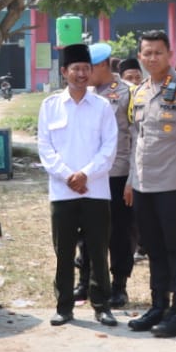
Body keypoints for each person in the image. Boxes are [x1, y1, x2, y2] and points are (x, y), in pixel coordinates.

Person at [124, 31, 176, 337]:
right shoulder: (141, 91)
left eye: (157, 53)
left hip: (173, 185)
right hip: (145, 185)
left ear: (169, 54)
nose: (151, 58)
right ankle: (158, 305)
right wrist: (132, 180)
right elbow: (136, 139)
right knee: (155, 250)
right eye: (146, 53)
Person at [37, 42, 119, 328]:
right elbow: (45, 149)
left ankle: (102, 305)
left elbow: (109, 147)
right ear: (64, 72)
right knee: (64, 252)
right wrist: (68, 176)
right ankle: (64, 306)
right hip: (62, 193)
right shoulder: (49, 107)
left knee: (98, 250)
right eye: (75, 69)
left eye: (86, 68)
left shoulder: (102, 106)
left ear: (91, 70)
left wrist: (85, 174)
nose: (81, 74)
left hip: (96, 190)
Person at [79, 42, 136, 308]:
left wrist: (133, 178)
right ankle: (86, 281)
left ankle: (119, 285)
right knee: (87, 230)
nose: (84, 73)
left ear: (102, 65)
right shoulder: (83, 94)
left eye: (88, 68)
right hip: (89, 175)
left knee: (119, 233)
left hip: (117, 173)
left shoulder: (127, 94)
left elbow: (137, 138)